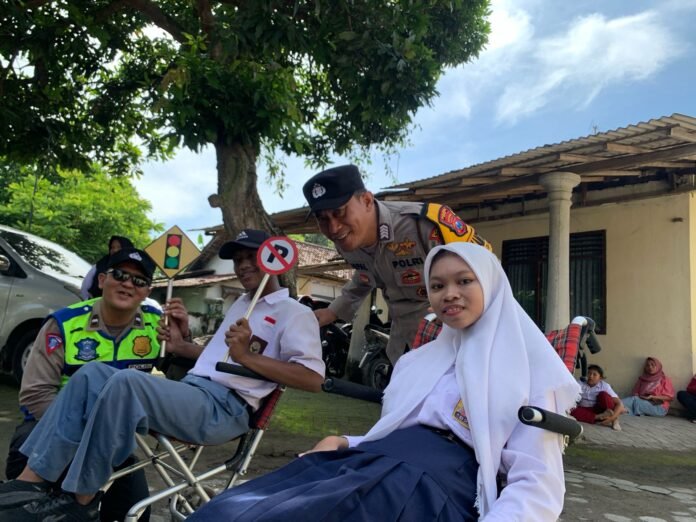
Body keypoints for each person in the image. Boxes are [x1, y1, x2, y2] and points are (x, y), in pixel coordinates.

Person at [188, 242, 580, 521]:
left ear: (491, 286)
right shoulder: (420, 361)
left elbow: (537, 483)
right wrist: (346, 441)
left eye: (464, 281)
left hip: (432, 485)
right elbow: (398, 428)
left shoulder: (528, 371)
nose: (450, 294)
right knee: (229, 510)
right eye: (438, 286)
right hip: (371, 461)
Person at [0, 229, 325, 522]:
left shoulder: (295, 313)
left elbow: (313, 379)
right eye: (237, 259)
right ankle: (29, 484)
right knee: (92, 373)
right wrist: (181, 346)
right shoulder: (242, 303)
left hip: (225, 409)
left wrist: (246, 356)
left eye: (250, 257)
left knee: (126, 383)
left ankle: (81, 501)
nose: (242, 266)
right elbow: (216, 358)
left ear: (273, 260)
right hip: (194, 390)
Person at [5, 247, 161, 522]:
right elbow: (35, 395)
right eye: (120, 275)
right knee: (32, 499)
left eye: (139, 280)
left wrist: (182, 342)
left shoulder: (158, 326)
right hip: (49, 428)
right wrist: (88, 435)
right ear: (102, 280)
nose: (128, 284)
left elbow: (179, 386)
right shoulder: (64, 324)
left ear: (147, 291)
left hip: (113, 439)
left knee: (135, 511)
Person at [303, 164, 491, 364]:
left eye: (339, 212)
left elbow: (487, 265)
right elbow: (365, 276)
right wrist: (332, 312)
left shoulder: (423, 225)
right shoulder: (347, 242)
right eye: (322, 219)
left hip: (456, 340)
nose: (333, 228)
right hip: (404, 342)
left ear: (366, 200)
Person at [570, 364, 623, 431]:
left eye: (594, 374)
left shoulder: (604, 386)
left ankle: (614, 419)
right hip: (586, 410)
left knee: (603, 395)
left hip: (600, 409)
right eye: (589, 373)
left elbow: (619, 403)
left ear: (600, 378)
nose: (591, 376)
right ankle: (599, 417)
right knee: (571, 410)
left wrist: (613, 417)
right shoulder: (580, 384)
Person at [80, 236, 135, 300]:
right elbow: (86, 285)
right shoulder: (101, 264)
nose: (115, 250)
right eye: (112, 247)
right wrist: (87, 300)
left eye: (119, 247)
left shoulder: (133, 270)